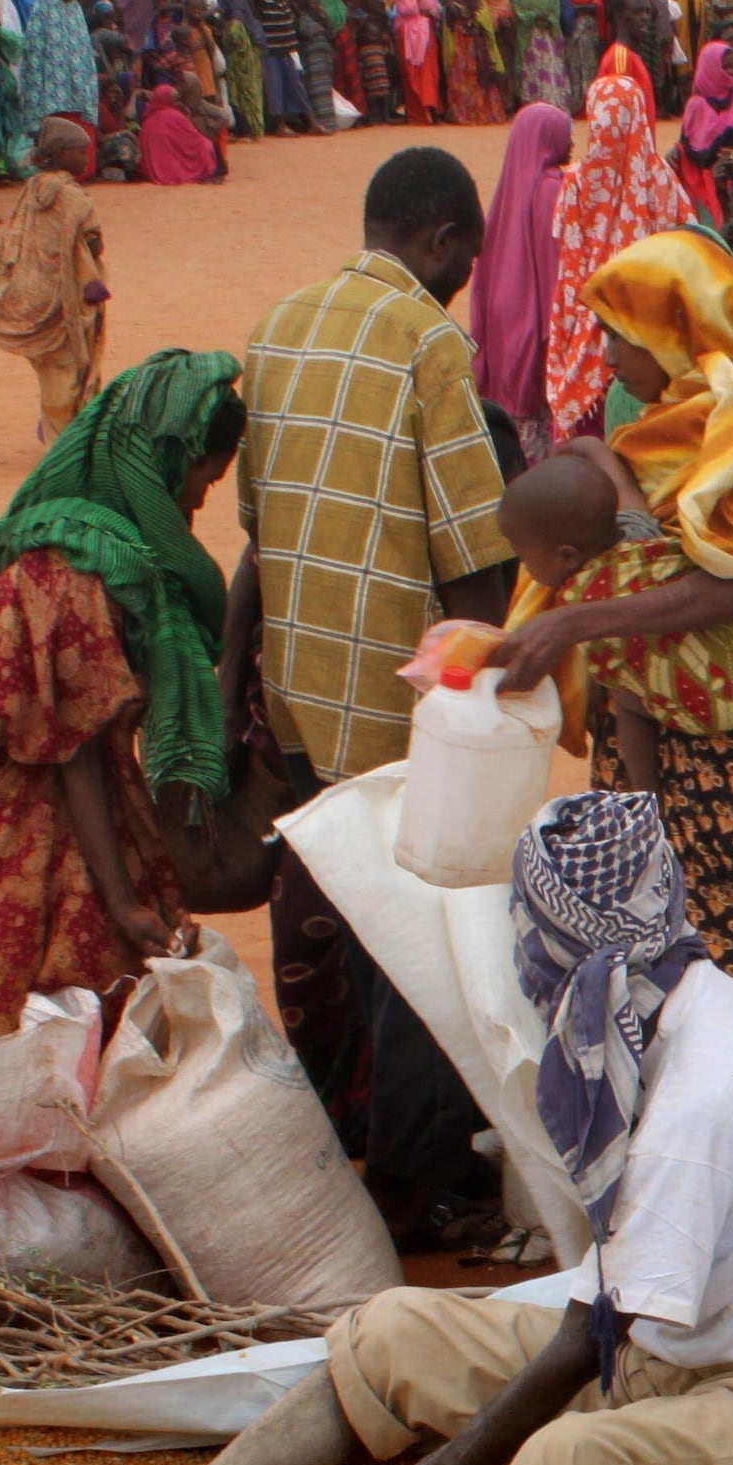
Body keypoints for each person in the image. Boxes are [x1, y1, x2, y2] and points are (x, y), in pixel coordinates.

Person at [80, 792, 733, 1465]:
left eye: (528, 936)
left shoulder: (704, 1099)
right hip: (691, 1346)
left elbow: (590, 1335)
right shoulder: (692, 1003)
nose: (522, 962)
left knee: (564, 1462)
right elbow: (612, 1315)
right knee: (393, 1332)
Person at [240, 145, 520, 1245]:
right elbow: (474, 554)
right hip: (399, 697)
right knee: (426, 931)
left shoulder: (278, 325)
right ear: (444, 242)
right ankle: (423, 1184)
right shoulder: (428, 342)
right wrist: (493, 684)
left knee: (338, 926)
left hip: (300, 682)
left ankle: (340, 1140)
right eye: (466, 259)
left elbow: (262, 532)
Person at [0, 351, 244, 1046]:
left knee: (98, 980)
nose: (198, 500)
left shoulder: (104, 547)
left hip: (53, 768)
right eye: (204, 477)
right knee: (29, 995)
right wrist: (121, 898)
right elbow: (73, 741)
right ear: (166, 458)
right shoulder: (76, 564)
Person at [491, 430, 733, 1026]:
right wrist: (586, 456)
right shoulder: (656, 536)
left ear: (564, 557)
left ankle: (649, 803)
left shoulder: (588, 601)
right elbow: (608, 471)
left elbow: (629, 700)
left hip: (706, 743)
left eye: (525, 554)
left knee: (632, 705)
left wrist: (647, 800)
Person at [545, 59, 694, 439]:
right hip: (649, 337)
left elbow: (565, 264)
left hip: (588, 322)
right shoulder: (662, 178)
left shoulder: (576, 181)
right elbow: (687, 246)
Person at [0, 117, 108, 440]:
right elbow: (93, 242)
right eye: (81, 152)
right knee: (74, 366)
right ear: (62, 153)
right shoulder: (76, 199)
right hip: (73, 295)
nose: (86, 158)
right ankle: (67, 436)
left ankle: (55, 425)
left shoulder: (32, 191)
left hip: (39, 292)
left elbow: (15, 239)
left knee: (50, 368)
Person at [476, 101, 573, 466]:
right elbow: (554, 268)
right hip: (535, 316)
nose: (571, 142)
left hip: (503, 316)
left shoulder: (511, 184)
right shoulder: (551, 188)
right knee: (538, 427)